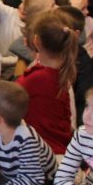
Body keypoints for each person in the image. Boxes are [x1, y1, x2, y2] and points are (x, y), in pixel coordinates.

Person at [18, 12, 78, 155]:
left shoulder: (37, 78)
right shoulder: (63, 74)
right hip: (56, 148)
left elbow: (9, 104)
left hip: (38, 152)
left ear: (36, 41)